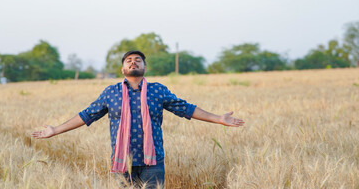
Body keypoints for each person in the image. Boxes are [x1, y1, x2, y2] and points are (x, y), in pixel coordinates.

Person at [32, 50, 245, 188]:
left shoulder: (157, 91)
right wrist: (55, 130)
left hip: (153, 162)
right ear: (123, 69)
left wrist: (218, 119)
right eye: (129, 61)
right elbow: (87, 115)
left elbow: (186, 109)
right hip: (122, 162)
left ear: (144, 67)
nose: (134, 62)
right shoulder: (111, 92)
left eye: (138, 60)